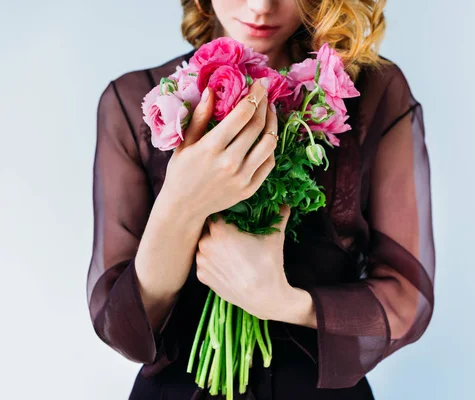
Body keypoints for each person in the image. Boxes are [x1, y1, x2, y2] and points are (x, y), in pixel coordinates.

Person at [86, 0, 435, 399]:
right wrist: (182, 201)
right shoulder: (137, 103)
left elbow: (407, 298)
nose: (260, 6)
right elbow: (125, 329)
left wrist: (283, 302)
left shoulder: (373, 91)